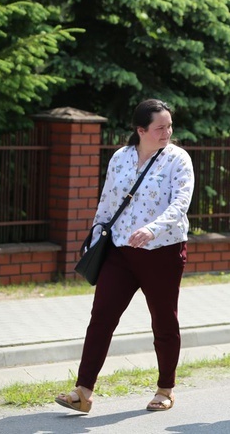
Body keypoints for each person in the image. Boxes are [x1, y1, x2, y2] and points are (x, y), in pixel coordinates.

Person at [55, 99, 195, 413]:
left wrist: (153, 229)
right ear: (141, 129)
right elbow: (106, 203)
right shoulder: (120, 157)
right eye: (160, 128)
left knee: (163, 320)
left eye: (169, 126)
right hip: (120, 252)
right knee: (101, 317)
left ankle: (165, 389)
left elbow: (180, 203)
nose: (167, 132)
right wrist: (95, 236)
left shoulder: (177, 159)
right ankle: (83, 391)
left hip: (162, 251)